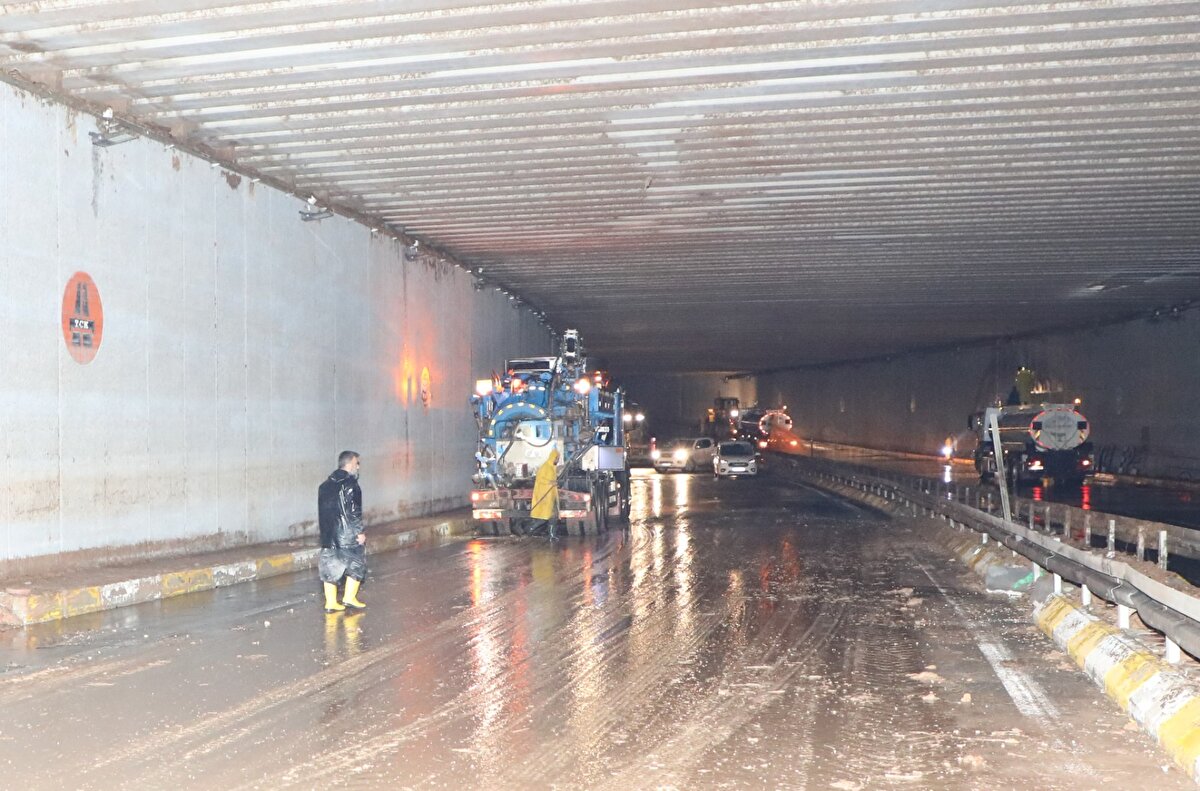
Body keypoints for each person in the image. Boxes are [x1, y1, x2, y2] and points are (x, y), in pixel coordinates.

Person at [317, 450, 368, 612]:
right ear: (350, 463)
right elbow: (353, 511)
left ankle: (331, 602)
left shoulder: (324, 486)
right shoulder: (351, 485)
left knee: (329, 568)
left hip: (329, 536)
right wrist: (359, 532)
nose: (358, 467)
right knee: (356, 565)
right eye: (357, 463)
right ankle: (349, 598)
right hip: (347, 536)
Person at [527, 448, 560, 536]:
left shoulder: (552, 468)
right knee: (544, 517)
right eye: (557, 458)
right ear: (554, 457)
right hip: (544, 497)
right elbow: (539, 479)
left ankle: (552, 535)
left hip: (551, 497)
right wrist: (550, 482)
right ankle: (530, 529)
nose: (558, 460)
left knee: (553, 517)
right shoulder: (545, 467)